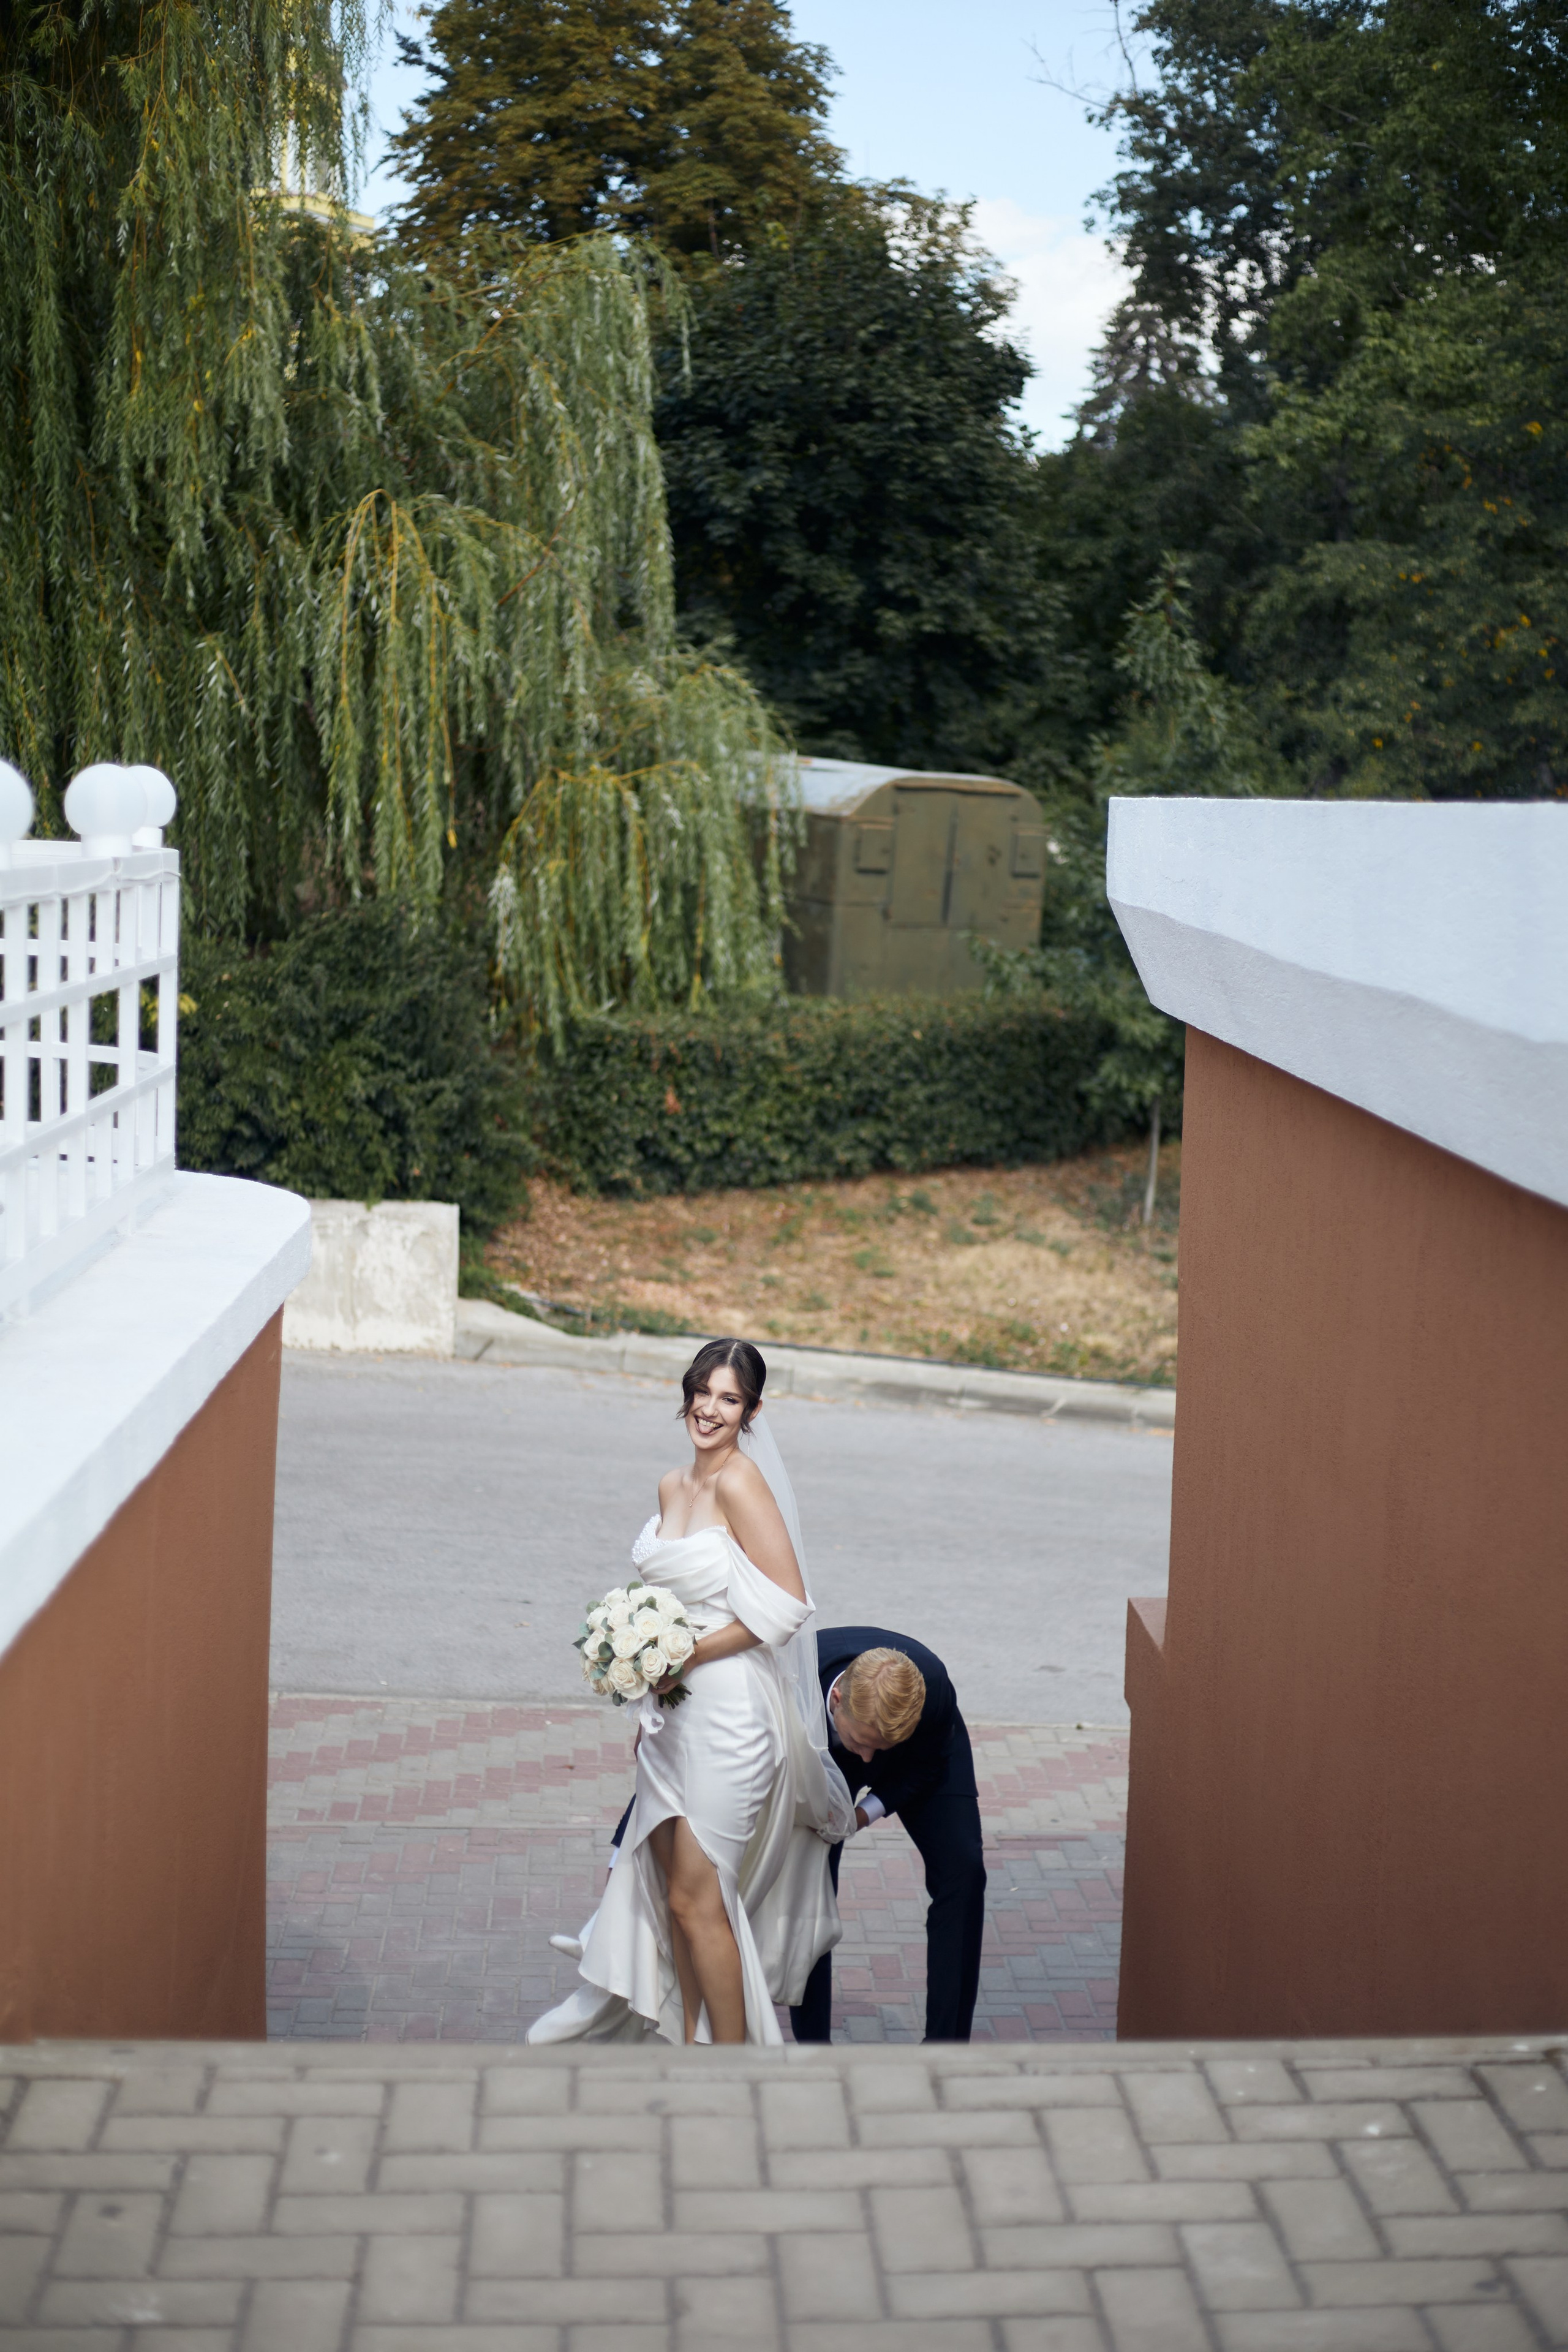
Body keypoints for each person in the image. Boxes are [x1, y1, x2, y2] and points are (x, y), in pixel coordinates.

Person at [528, 1338, 854, 2046]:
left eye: (729, 1399)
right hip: (672, 1722)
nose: (710, 1409)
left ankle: (732, 2066)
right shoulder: (672, 1486)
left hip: (731, 1714)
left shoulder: (740, 1483)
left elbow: (786, 1607)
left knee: (703, 1899)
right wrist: (648, 1676)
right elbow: (663, 1603)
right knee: (675, 1897)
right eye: (703, 1391)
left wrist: (680, 1657)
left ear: (751, 1411)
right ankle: (688, 2040)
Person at [790, 1630, 987, 2044]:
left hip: (917, 1757)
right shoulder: (789, 1681)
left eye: (878, 1748)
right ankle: (814, 2049)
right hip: (821, 1753)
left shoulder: (931, 1688)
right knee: (811, 1882)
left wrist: (863, 1814)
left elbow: (929, 1765)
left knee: (964, 1874)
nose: (867, 1760)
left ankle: (946, 2049)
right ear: (837, 1699)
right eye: (862, 1745)